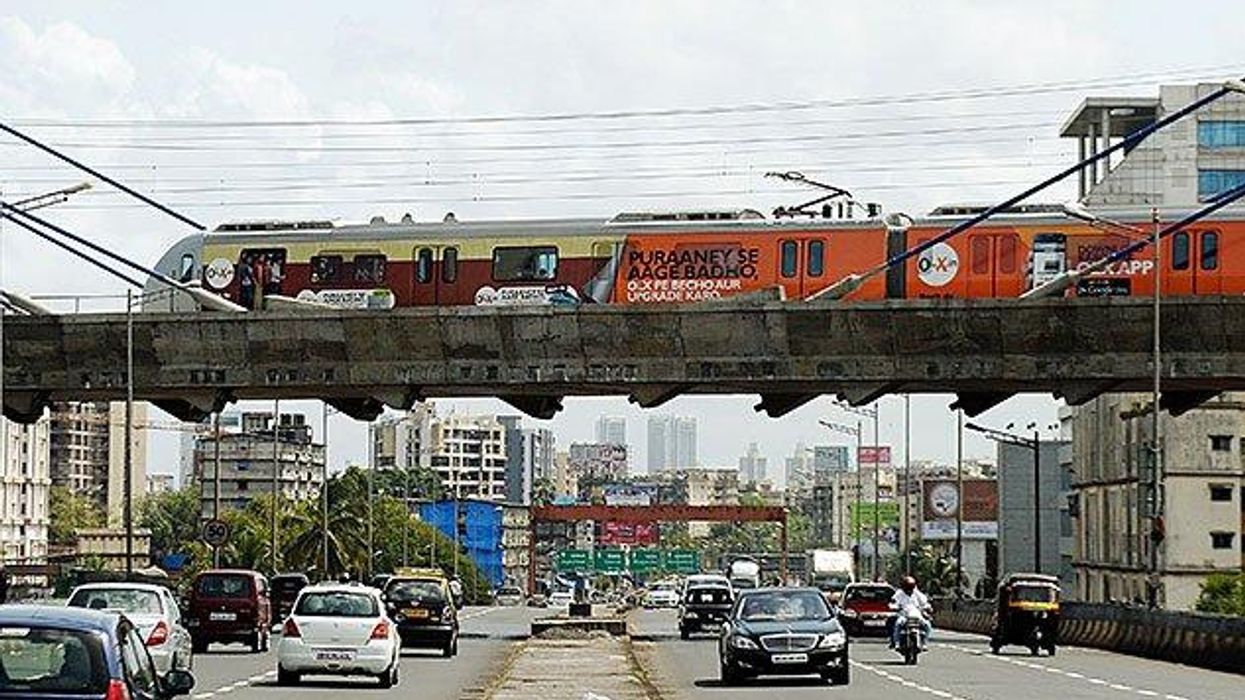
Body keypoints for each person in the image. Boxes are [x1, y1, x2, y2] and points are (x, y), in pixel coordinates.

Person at [889, 575, 933, 650]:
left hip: (917, 615)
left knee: (927, 625)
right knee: (897, 624)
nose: (909, 590)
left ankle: (925, 643)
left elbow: (924, 602)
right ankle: (897, 643)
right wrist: (894, 607)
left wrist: (927, 607)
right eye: (907, 587)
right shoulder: (899, 594)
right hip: (904, 615)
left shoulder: (917, 593)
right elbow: (893, 602)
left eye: (911, 587)